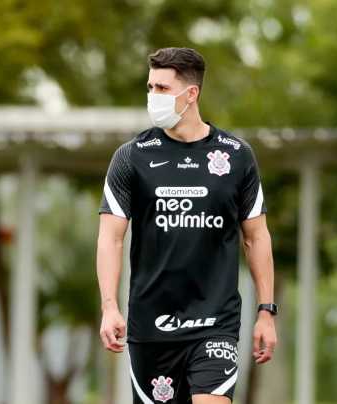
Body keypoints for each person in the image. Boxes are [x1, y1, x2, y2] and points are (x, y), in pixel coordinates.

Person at [97, 47, 277, 404]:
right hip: (151, 326)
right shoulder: (131, 157)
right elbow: (111, 238)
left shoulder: (237, 155)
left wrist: (266, 312)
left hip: (216, 323)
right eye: (150, 87)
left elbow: (256, 237)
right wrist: (108, 306)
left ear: (191, 94)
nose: (152, 97)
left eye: (162, 89)